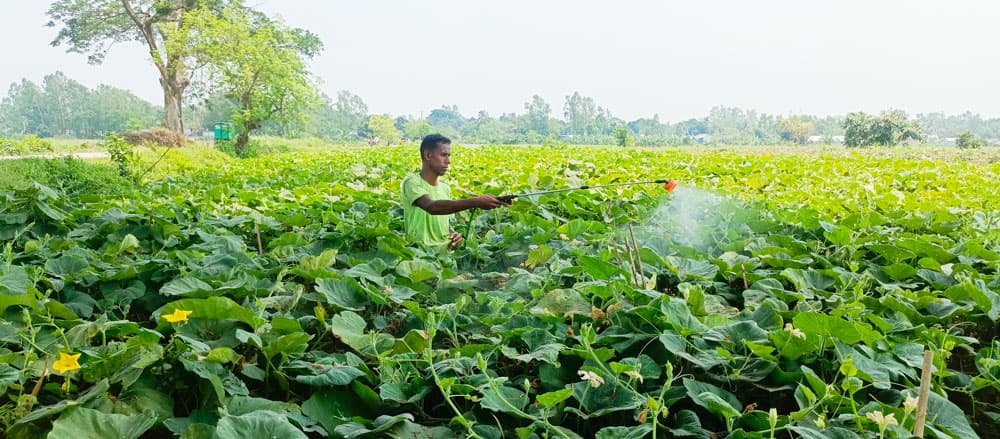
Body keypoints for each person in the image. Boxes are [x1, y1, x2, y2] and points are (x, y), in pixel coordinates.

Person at [401, 134, 508, 249]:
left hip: (446, 257)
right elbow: (432, 207)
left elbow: (443, 221)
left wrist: (453, 234)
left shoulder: (445, 188)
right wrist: (476, 202)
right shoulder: (412, 182)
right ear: (428, 155)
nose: (448, 161)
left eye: (449, 155)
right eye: (443, 155)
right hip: (420, 255)